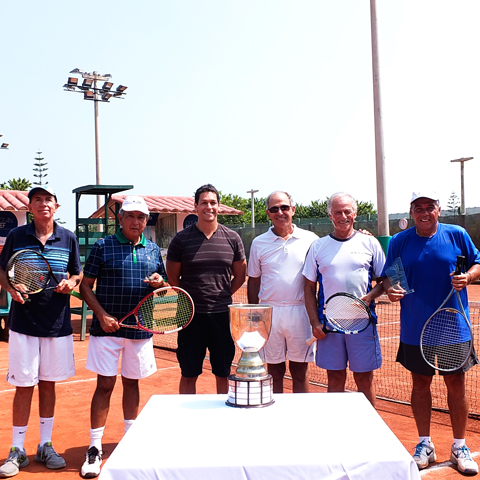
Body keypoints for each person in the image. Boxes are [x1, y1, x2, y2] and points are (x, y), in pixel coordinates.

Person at [383, 190, 480, 475]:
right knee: (420, 385)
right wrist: (392, 289)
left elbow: (477, 263)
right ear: (411, 212)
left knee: (456, 385)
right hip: (415, 327)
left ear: (438, 210)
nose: (424, 212)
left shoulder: (457, 234)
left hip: (453, 325)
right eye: (418, 208)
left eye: (429, 207)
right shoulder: (400, 241)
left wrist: (469, 276)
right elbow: (393, 275)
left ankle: (459, 445)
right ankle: (424, 443)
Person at [80, 196, 166, 478]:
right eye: (130, 216)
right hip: (106, 330)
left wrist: (160, 283)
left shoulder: (153, 249)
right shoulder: (103, 247)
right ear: (120, 218)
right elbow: (85, 287)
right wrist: (102, 315)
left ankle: (129, 441)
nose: (136, 221)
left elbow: (162, 286)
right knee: (104, 386)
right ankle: (94, 448)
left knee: (132, 384)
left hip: (139, 330)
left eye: (141, 217)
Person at [0, 186, 83, 478]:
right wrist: (11, 287)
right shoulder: (16, 236)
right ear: (30, 207)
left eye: (48, 199)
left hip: (57, 324)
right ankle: (17, 449)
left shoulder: (68, 238)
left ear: (56, 207)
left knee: (48, 384)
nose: (43, 204)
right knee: (24, 385)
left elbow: (77, 272)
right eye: (37, 200)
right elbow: (2, 270)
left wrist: (71, 282)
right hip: (23, 324)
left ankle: (45, 445)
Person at [303, 192, 385, 406]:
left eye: (347, 211)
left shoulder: (370, 243)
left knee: (364, 379)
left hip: (363, 324)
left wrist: (370, 297)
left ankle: (369, 430)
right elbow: (308, 288)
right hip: (330, 325)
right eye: (337, 212)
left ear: (355, 214)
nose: (343, 216)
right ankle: (335, 430)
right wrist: (314, 322)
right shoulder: (318, 247)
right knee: (335, 379)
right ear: (330, 215)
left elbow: (387, 280)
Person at [166, 184, 247, 394]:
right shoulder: (181, 240)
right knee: (189, 373)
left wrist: (223, 293)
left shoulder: (233, 238)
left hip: (222, 316)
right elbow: (173, 277)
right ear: (195, 206)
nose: (208, 207)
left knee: (222, 371)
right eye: (204, 203)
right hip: (190, 317)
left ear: (218, 206)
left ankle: (223, 417)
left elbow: (240, 275)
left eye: (212, 203)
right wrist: (189, 299)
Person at [247, 191, 318, 393]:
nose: (280, 212)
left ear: (293, 210)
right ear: (268, 213)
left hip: (301, 312)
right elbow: (254, 280)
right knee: (274, 371)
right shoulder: (259, 243)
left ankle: (300, 418)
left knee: (299, 371)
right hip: (269, 313)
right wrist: (254, 316)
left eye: (284, 207)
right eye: (274, 209)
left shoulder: (311, 240)